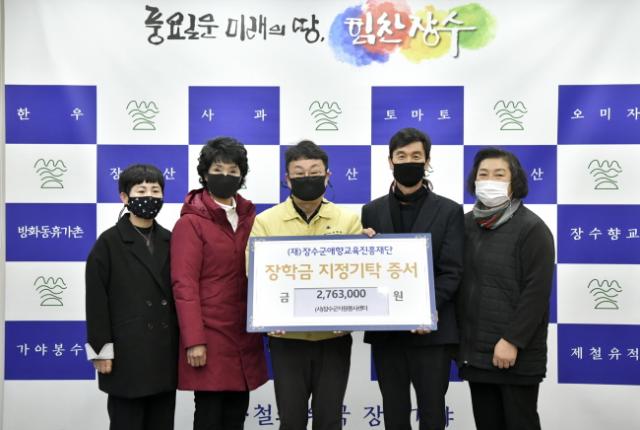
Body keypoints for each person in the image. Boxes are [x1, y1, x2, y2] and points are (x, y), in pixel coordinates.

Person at [250, 140, 362, 430]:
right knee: (291, 421)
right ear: (288, 179)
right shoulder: (266, 222)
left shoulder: (349, 221)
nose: (307, 178)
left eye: (314, 172)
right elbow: (255, 273)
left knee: (329, 420)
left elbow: (359, 275)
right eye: (299, 173)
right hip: (286, 339)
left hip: (334, 338)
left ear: (327, 176)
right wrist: (270, 315)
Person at [361, 128, 464, 430]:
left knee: (432, 413)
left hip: (431, 331)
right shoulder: (371, 211)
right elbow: (369, 271)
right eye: (401, 156)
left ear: (427, 162)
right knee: (394, 412)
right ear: (390, 161)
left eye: (416, 156)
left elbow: (452, 270)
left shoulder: (449, 210)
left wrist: (426, 309)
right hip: (387, 332)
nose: (409, 162)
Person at [171, 137, 268, 430]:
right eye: (218, 169)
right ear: (204, 174)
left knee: (236, 415)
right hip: (209, 335)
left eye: (233, 170)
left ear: (242, 175)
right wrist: (194, 341)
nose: (225, 176)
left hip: (244, 334)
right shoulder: (190, 223)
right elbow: (184, 285)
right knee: (210, 415)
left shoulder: (252, 218)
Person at [457, 147, 555, 430]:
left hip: (515, 356)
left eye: (499, 175)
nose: (490, 180)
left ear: (515, 182)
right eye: (483, 174)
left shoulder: (532, 228)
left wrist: (512, 340)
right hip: (477, 354)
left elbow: (536, 293)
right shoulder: (465, 225)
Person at [85, 164, 178, 430]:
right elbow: (96, 300)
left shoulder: (171, 239)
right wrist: (101, 349)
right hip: (127, 353)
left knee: (162, 422)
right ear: (125, 197)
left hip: (163, 352)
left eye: (155, 190)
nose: (149, 196)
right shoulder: (108, 242)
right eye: (141, 190)